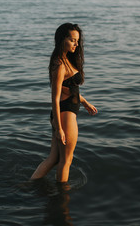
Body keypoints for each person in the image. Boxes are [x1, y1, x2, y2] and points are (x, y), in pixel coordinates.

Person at [31, 23, 97, 182]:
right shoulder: (60, 65)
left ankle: (29, 184)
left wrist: (85, 102)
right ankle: (61, 198)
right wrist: (59, 128)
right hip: (65, 115)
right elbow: (54, 97)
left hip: (64, 113)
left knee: (54, 159)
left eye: (77, 41)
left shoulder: (66, 60)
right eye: (72, 40)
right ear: (62, 39)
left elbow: (70, 90)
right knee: (66, 161)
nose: (76, 44)